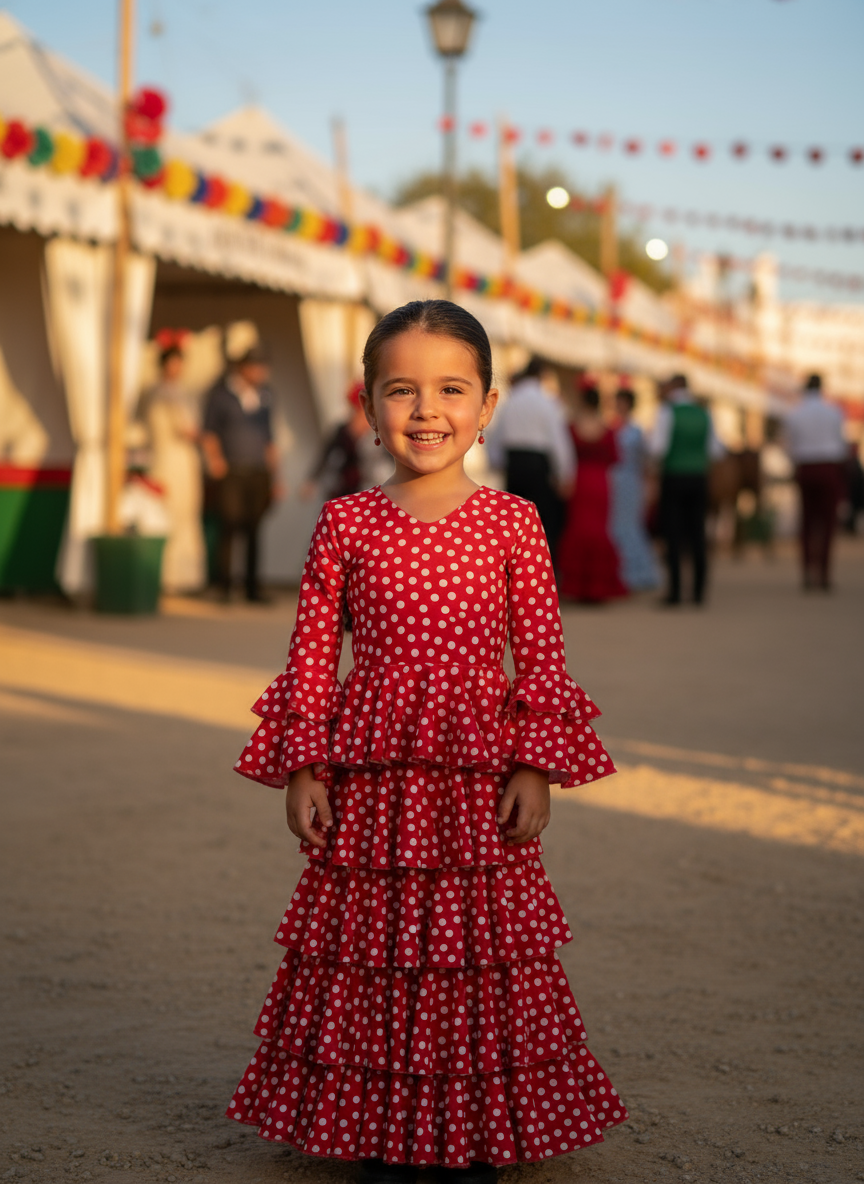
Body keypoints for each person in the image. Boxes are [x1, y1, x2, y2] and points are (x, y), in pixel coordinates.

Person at [226, 300, 627, 1181]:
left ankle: (474, 1120)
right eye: (400, 390)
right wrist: (305, 767)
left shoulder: (515, 521)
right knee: (371, 945)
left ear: (487, 409)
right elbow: (308, 658)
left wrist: (536, 767)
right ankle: (378, 1121)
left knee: (477, 950)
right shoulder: (345, 524)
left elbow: (545, 659)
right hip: (372, 783)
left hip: (477, 778)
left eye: (452, 389)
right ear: (368, 408)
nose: (426, 410)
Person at [201, 342, 282, 602]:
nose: (261, 372)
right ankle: (224, 586)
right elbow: (210, 431)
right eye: (256, 366)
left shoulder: (266, 395)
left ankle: (251, 588)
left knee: (254, 528)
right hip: (232, 470)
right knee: (229, 525)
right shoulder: (222, 395)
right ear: (243, 368)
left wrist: (275, 476)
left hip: (258, 470)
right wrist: (215, 460)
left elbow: (270, 439)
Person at [486, 356, 575, 555]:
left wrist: (499, 463)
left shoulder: (510, 402)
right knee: (541, 523)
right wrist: (565, 474)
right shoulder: (547, 402)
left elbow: (495, 438)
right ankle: (539, 570)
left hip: (514, 465)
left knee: (514, 523)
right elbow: (559, 442)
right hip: (539, 467)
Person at [648, 374, 724, 606]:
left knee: (672, 534)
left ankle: (675, 591)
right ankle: (699, 592)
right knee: (697, 534)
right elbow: (716, 450)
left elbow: (657, 448)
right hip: (699, 478)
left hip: (673, 477)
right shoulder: (704, 412)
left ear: (673, 387)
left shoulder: (667, 411)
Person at [141, 344, 206, 593]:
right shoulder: (160, 394)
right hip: (167, 460)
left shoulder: (182, 393)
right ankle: (164, 575)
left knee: (186, 514)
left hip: (184, 462)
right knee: (167, 514)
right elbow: (186, 429)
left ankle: (185, 575)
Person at [557, 382, 627, 603]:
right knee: (599, 531)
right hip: (600, 483)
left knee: (578, 529)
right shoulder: (607, 430)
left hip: (579, 481)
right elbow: (617, 457)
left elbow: (563, 454)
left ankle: (578, 586)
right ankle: (599, 586)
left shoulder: (571, 426)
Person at [783, 374, 848, 590]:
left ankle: (807, 571)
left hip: (805, 468)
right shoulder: (834, 411)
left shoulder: (795, 413)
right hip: (829, 468)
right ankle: (824, 574)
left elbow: (789, 446)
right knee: (828, 524)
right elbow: (841, 444)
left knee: (807, 523)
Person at [301, 381, 389, 501]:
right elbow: (325, 457)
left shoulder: (377, 433)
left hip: (370, 493)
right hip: (343, 492)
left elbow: (388, 461)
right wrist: (312, 480)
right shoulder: (341, 432)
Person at [609, 387, 660, 592]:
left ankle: (636, 573)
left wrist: (648, 484)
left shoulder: (636, 431)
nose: (619, 406)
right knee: (614, 525)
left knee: (630, 524)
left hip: (630, 481)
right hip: (613, 481)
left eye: (622, 402)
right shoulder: (612, 427)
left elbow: (645, 461)